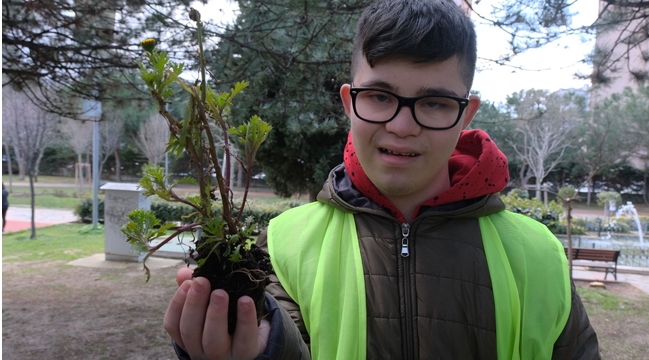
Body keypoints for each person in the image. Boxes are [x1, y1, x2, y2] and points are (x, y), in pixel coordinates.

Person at [164, 0, 601, 358]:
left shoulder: (539, 255)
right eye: (378, 96)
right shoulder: (281, 245)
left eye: (433, 103)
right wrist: (261, 349)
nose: (402, 127)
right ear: (349, 103)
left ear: (465, 114)